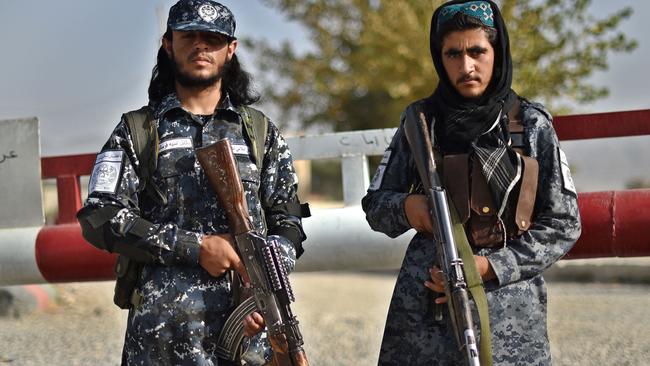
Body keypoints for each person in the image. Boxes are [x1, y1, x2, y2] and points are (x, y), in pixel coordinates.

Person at [77, 1, 307, 365]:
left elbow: (288, 220)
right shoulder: (139, 130)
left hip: (251, 335)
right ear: (169, 44)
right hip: (163, 337)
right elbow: (100, 216)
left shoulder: (260, 133)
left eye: (212, 38)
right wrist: (195, 247)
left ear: (230, 49)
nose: (200, 46)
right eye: (189, 37)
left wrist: (263, 273)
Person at [362, 1, 581, 365]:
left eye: (477, 51)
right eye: (453, 54)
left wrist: (491, 268)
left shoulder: (531, 125)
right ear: (439, 58)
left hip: (510, 316)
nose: (466, 66)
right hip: (424, 317)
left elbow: (564, 223)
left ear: (497, 51)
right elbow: (375, 206)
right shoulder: (420, 124)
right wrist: (408, 208)